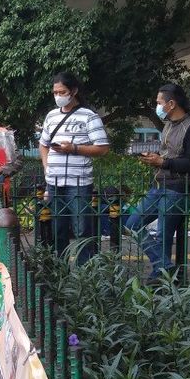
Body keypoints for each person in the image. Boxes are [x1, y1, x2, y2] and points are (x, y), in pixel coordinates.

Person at [125, 83, 190, 282]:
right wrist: (156, 159)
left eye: (159, 103)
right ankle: (165, 267)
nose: (157, 106)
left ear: (171, 103)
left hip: (177, 188)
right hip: (159, 185)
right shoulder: (168, 124)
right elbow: (167, 154)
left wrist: (163, 162)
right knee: (132, 224)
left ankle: (160, 275)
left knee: (163, 236)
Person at [38, 72, 110, 264]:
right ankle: (60, 272)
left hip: (78, 182)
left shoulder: (89, 116)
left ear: (74, 91)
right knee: (57, 229)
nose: (58, 96)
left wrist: (74, 148)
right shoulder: (51, 116)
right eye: (55, 92)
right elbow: (43, 144)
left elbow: (102, 148)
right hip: (54, 181)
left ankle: (85, 274)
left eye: (62, 92)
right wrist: (47, 168)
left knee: (82, 230)